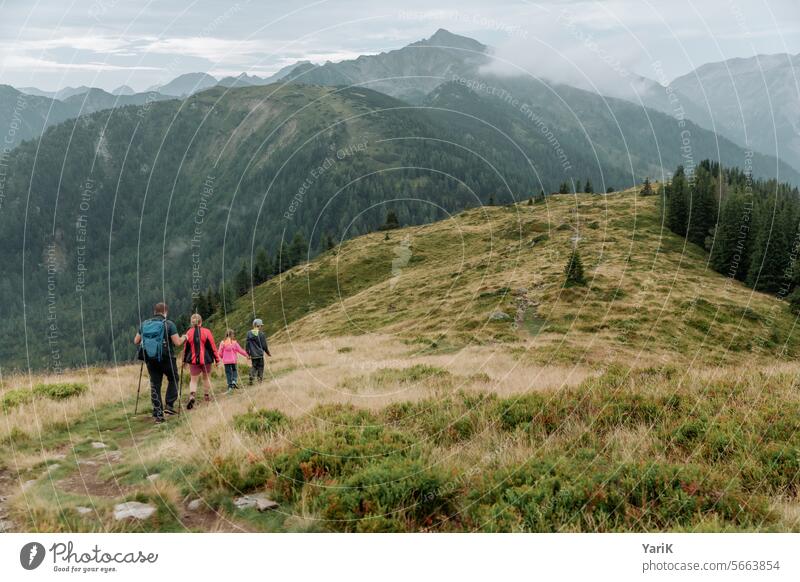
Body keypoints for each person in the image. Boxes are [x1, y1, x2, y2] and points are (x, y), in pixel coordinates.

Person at [133, 302, 186, 424]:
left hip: (151, 360)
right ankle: (169, 405)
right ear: (165, 312)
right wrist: (185, 337)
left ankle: (158, 414)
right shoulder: (169, 324)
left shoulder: (144, 324)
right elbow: (177, 342)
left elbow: (136, 341)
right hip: (166, 358)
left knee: (155, 384)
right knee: (173, 378)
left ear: (154, 312)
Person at [182, 313, 219, 409]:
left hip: (193, 361)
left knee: (193, 380)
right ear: (201, 322)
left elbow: (186, 348)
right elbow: (212, 346)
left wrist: (184, 361)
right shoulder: (207, 332)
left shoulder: (189, 333)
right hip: (206, 359)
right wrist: (217, 359)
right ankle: (206, 397)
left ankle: (192, 395)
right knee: (206, 378)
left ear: (192, 323)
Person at [218, 329, 250, 394]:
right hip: (233, 360)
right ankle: (234, 381)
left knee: (228, 373)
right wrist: (247, 355)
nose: (234, 335)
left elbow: (219, 352)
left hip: (226, 361)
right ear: (231, 335)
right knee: (234, 371)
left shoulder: (222, 343)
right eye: (233, 334)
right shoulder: (234, 343)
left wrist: (222, 357)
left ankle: (230, 386)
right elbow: (240, 350)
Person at [245, 318, 271, 384]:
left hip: (253, 355)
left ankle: (251, 375)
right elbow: (264, 345)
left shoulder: (248, 333)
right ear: (258, 325)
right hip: (260, 354)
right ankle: (260, 380)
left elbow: (247, 345)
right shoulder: (261, 334)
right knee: (261, 367)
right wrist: (267, 352)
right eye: (261, 326)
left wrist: (247, 353)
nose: (261, 327)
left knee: (254, 366)